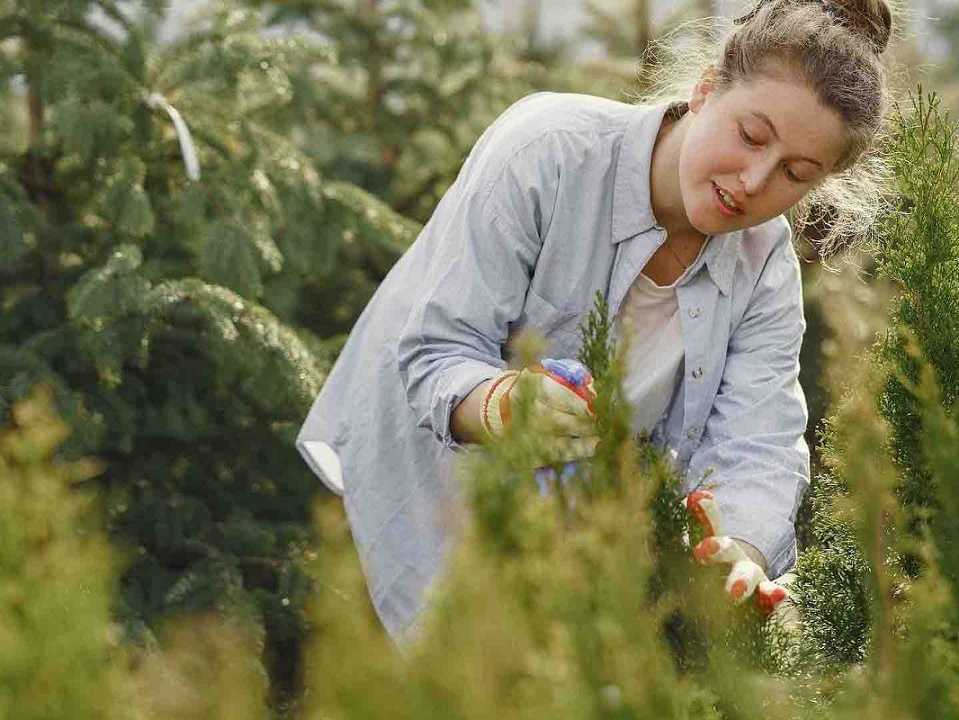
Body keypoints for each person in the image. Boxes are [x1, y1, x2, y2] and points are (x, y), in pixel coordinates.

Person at [296, 0, 893, 645]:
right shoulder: (548, 150)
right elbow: (438, 349)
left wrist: (741, 544)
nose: (753, 181)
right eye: (750, 136)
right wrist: (506, 404)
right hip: (404, 507)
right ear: (706, 90)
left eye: (795, 174)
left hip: (552, 557)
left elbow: (759, 441)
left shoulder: (763, 261)